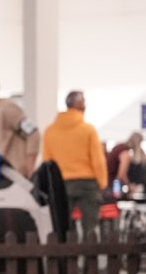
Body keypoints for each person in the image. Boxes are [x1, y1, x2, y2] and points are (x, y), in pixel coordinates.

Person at [42, 90, 108, 238]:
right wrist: (102, 183)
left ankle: (65, 252)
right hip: (87, 183)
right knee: (90, 227)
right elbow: (97, 160)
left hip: (61, 183)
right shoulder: (88, 129)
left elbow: (47, 162)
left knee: (63, 226)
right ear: (81, 105)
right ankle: (89, 253)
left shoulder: (50, 131)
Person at [107, 132, 146, 197]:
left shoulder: (119, 147)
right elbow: (121, 175)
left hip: (107, 182)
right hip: (112, 185)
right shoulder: (125, 153)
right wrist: (129, 185)